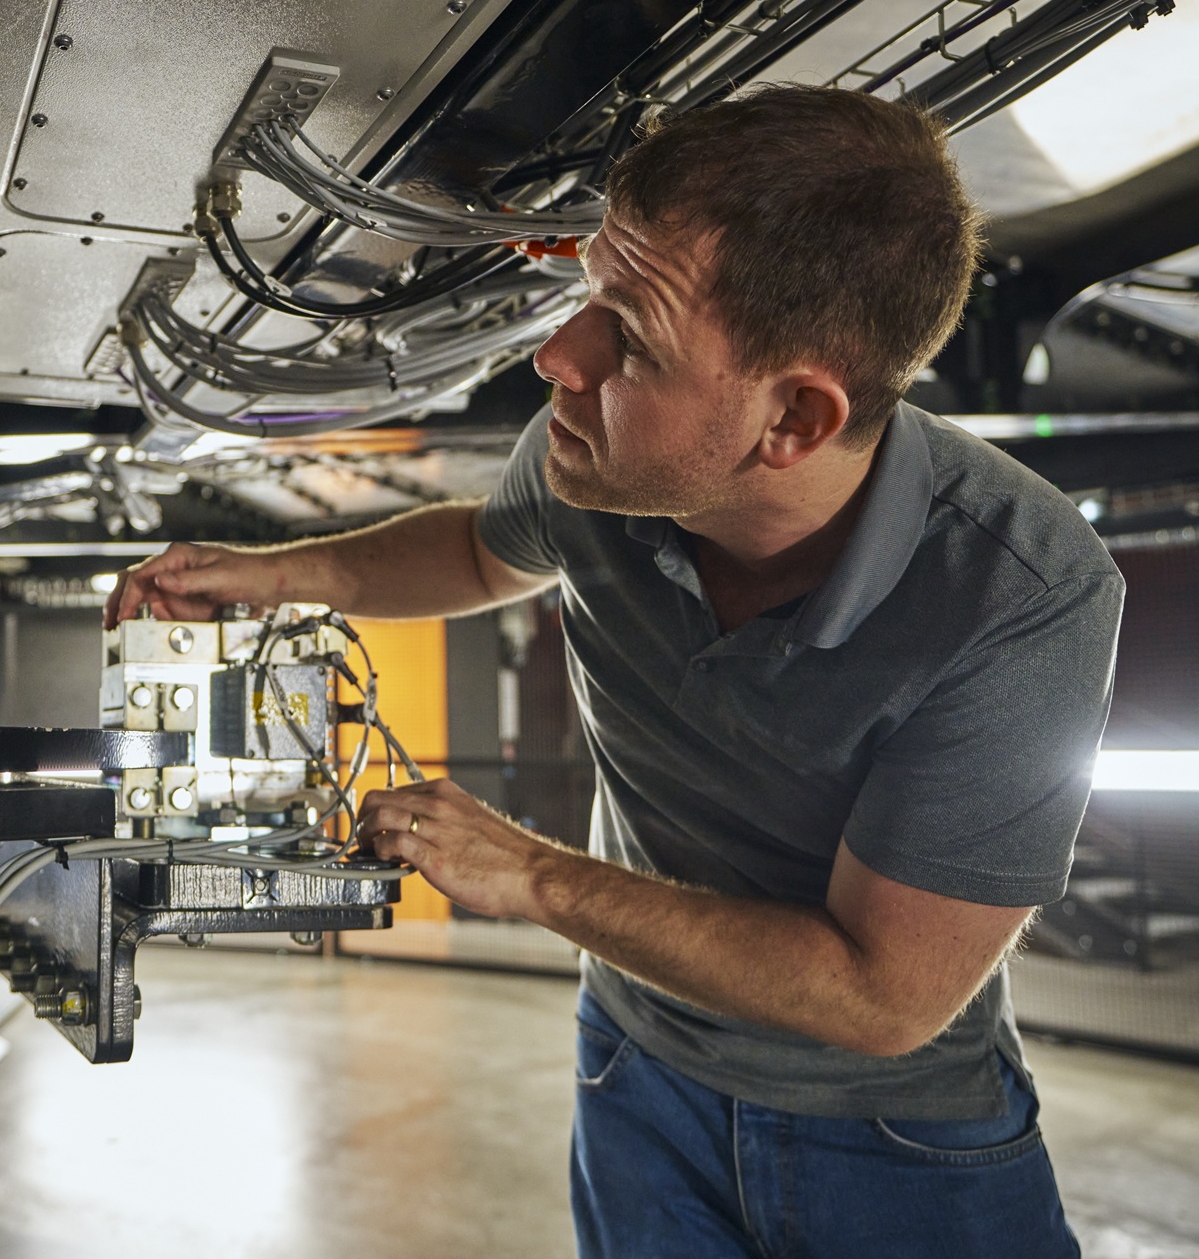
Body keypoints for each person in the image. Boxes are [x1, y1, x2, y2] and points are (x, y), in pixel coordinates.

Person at [106, 84, 1122, 1257]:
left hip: (891, 1139)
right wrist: (271, 575)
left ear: (793, 416)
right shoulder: (599, 454)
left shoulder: (1023, 596)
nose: (558, 356)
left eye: (629, 337)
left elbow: (880, 993)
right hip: (637, 1067)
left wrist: (533, 876)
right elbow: (485, 552)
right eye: (591, 291)